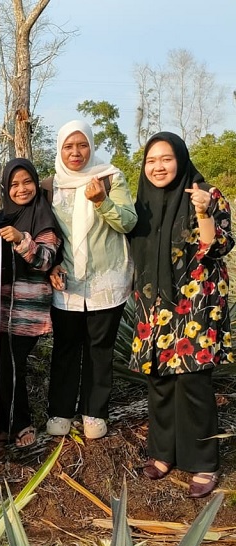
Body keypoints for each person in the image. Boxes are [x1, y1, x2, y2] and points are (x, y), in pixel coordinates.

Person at [129, 132, 233, 498]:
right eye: (151, 160)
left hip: (195, 303)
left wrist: (204, 210)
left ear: (181, 159)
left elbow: (217, 246)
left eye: (166, 158)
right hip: (154, 303)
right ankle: (162, 453)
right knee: (159, 379)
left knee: (192, 382)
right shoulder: (142, 201)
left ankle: (203, 461)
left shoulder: (205, 192)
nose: (158, 167)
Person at [46, 120, 137, 440]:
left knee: (100, 348)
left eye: (81, 145)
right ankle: (60, 409)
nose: (75, 153)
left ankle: (95, 412)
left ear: (92, 145)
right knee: (66, 347)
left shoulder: (111, 177)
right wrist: (51, 268)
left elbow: (128, 222)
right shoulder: (50, 185)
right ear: (60, 149)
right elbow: (47, 233)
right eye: (68, 147)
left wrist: (102, 201)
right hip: (67, 280)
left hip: (105, 280)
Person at [0, 158, 61, 453]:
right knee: (2, 366)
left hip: (28, 311)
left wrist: (23, 240)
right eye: (14, 184)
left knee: (13, 365)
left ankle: (20, 423)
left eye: (27, 182)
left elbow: (47, 259)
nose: (21, 189)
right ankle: (5, 425)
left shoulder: (44, 218)